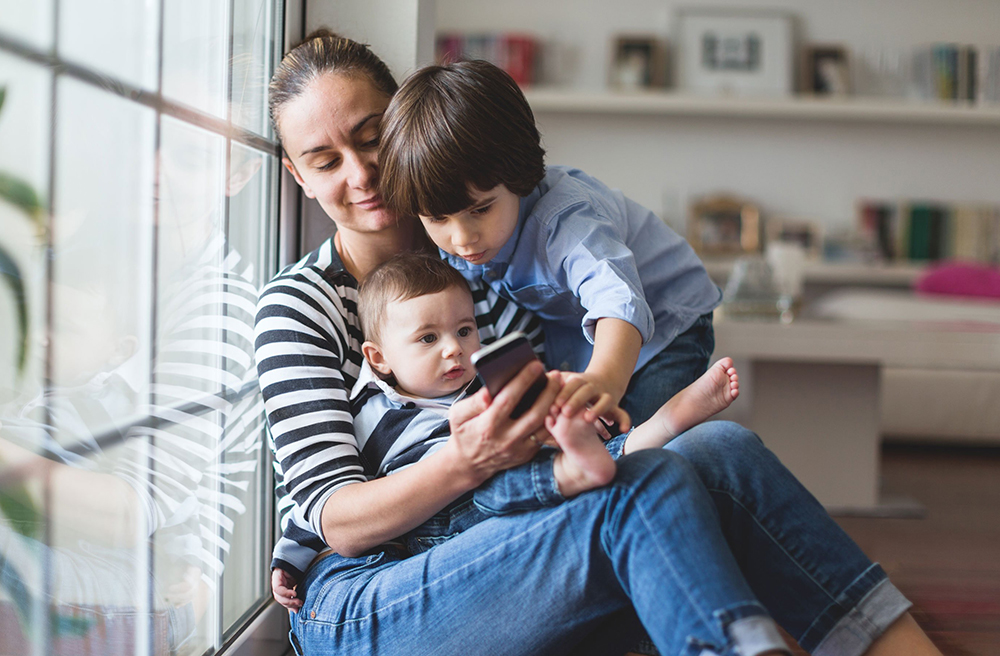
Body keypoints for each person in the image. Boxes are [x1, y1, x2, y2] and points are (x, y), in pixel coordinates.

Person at [260, 29, 942, 656]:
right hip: (365, 591)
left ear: (407, 122)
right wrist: (469, 462)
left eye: (372, 136)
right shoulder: (301, 305)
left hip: (498, 529)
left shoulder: (486, 270)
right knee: (647, 487)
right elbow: (337, 521)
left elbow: (563, 429)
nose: (361, 174)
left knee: (720, 449)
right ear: (297, 175)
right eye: (324, 160)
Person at [378, 59, 724, 427]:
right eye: (438, 219)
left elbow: (618, 300)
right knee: (575, 427)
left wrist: (605, 378)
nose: (462, 238)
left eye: (480, 209)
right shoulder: (460, 243)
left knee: (629, 436)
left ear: (517, 175)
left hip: (669, 318)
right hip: (575, 329)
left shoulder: (564, 221)